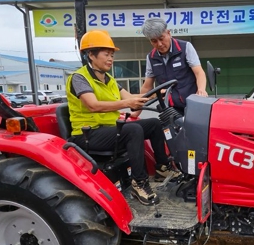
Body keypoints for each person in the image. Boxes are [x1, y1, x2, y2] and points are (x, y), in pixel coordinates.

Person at [66, 30, 181, 206]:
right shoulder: (79, 78)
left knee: (154, 124)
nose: (110, 59)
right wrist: (128, 102)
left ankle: (162, 168)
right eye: (106, 54)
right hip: (88, 134)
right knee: (133, 129)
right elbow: (93, 105)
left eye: (112, 55)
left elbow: (131, 99)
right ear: (91, 55)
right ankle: (139, 182)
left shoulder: (109, 79)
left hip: (110, 129)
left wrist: (154, 94)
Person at [139, 18, 207, 115]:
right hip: (170, 108)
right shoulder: (151, 58)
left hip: (192, 105)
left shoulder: (185, 47)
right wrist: (137, 111)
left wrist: (201, 90)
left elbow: (199, 72)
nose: (159, 44)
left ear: (168, 33)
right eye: (154, 41)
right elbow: (147, 87)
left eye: (161, 38)